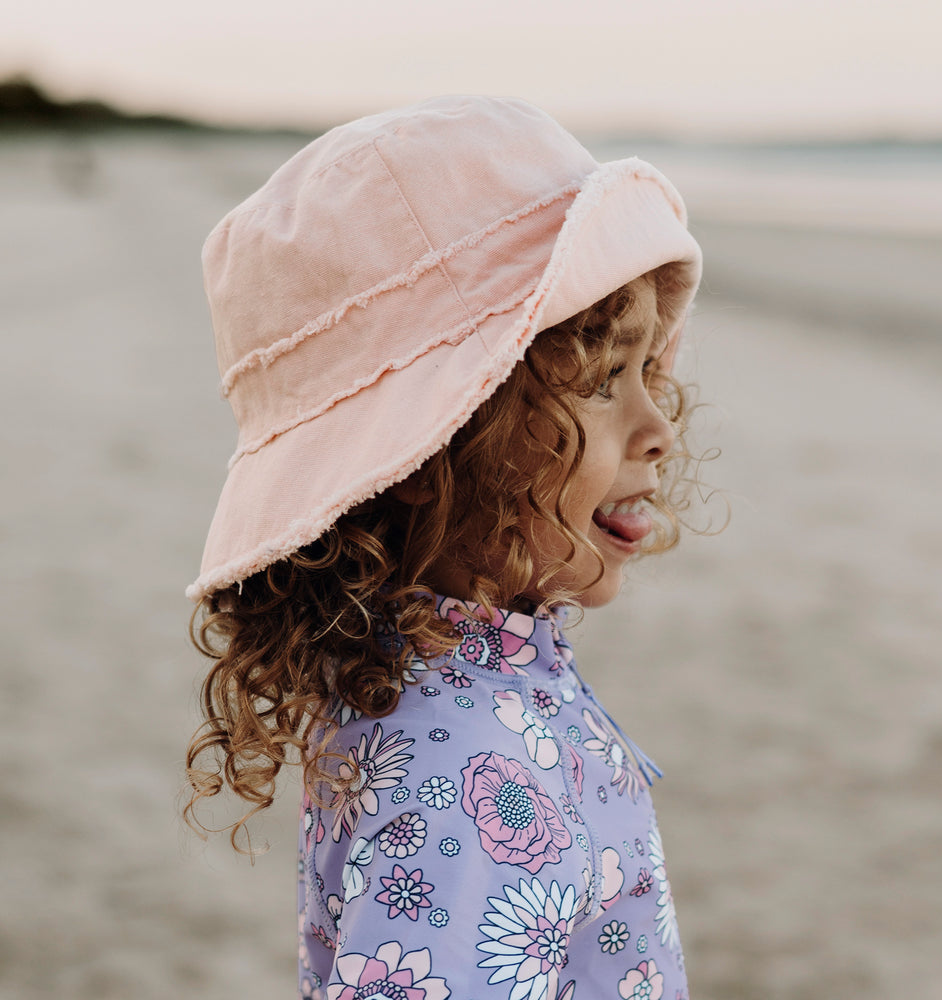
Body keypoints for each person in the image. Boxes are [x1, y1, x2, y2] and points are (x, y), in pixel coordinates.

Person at [185, 95, 704, 1000]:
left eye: (645, 370)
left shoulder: (447, 687)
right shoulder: (465, 767)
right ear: (432, 453)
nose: (657, 424)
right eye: (598, 378)